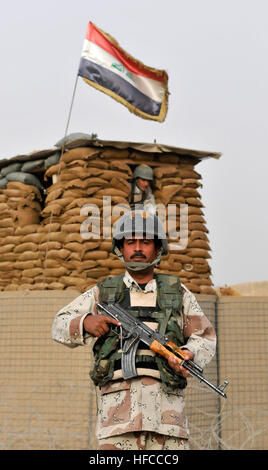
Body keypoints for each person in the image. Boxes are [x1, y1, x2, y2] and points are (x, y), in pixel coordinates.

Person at [51, 210, 216, 451]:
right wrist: (86, 322)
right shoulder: (103, 292)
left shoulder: (177, 293)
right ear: (121, 247)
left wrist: (189, 354)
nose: (138, 248)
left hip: (167, 419)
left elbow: (205, 337)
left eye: (145, 242)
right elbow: (58, 324)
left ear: (158, 249)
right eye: (131, 242)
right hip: (118, 419)